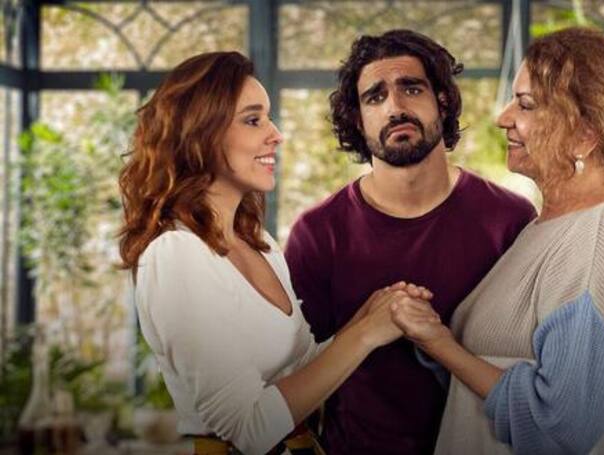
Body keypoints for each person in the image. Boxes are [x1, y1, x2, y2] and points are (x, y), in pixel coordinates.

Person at [391, 27, 604, 455]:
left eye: (526, 104)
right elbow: (487, 385)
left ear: (584, 135)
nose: (503, 118)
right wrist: (432, 332)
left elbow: (560, 426)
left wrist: (440, 345)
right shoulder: (544, 228)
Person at [118, 51, 434, 455]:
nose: (276, 134)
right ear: (200, 134)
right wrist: (365, 335)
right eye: (253, 120)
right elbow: (246, 430)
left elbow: (303, 372)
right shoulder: (175, 255)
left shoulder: (259, 244)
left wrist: (373, 313)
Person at [284, 30, 536, 454]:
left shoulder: (510, 220)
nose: (395, 107)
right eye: (374, 97)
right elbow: (297, 381)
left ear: (442, 101)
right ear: (358, 120)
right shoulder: (317, 233)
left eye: (412, 89)